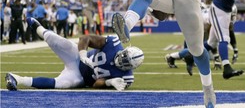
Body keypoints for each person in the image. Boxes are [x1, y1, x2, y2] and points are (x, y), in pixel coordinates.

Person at [5, 17, 144, 91]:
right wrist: (83, 55)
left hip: (80, 78)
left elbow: (96, 85)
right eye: (124, 57)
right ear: (124, 51)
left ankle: (17, 79)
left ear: (131, 68)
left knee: (60, 84)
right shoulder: (113, 43)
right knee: (57, 40)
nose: (122, 61)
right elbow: (85, 38)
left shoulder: (127, 77)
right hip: (77, 57)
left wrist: (109, 82)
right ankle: (38, 27)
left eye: (126, 63)